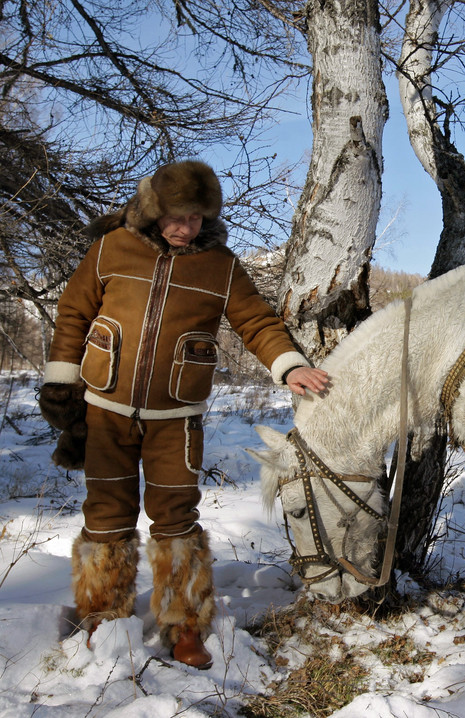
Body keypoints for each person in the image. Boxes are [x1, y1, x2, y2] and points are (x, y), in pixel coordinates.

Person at [38, 160, 328, 669]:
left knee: (176, 521)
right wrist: (62, 381)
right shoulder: (111, 248)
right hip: (105, 408)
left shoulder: (220, 265)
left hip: (177, 417)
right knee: (107, 515)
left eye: (195, 218)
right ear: (154, 210)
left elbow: (256, 321)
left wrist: (289, 366)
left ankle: (185, 626)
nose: (184, 228)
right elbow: (72, 313)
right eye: (175, 216)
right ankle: (105, 618)